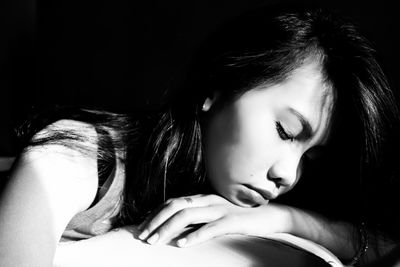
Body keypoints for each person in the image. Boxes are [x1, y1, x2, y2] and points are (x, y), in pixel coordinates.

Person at [0, 5, 398, 267]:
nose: (289, 175)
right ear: (217, 89)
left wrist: (284, 218)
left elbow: (384, 248)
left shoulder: (255, 204)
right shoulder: (84, 156)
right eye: (285, 131)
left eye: (310, 158)